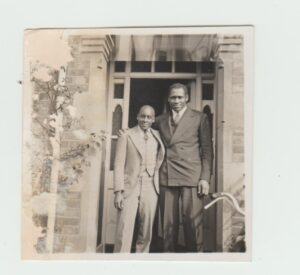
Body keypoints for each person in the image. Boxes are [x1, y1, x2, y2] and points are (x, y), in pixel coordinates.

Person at [154, 83, 213, 252]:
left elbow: (207, 150)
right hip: (167, 175)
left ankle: (195, 263)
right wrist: (125, 133)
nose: (176, 101)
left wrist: (205, 178)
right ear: (168, 99)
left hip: (192, 177)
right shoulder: (159, 120)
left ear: (187, 97)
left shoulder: (199, 118)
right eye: (173, 97)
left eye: (180, 97)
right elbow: (142, 131)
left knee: (193, 224)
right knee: (167, 226)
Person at [113, 105, 165, 253]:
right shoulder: (126, 135)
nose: (145, 120)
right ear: (137, 116)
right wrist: (118, 191)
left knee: (147, 230)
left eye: (149, 117)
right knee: (124, 228)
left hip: (151, 186)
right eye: (142, 116)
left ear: (153, 119)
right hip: (130, 186)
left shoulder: (158, 135)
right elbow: (118, 163)